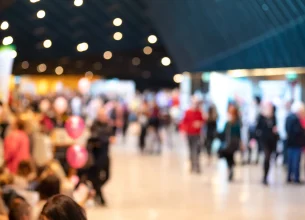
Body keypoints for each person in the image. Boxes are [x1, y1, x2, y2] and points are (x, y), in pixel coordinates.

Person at [88, 108, 115, 205]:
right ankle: (100, 197)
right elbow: (94, 138)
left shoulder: (108, 125)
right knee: (97, 177)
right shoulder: (94, 125)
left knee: (107, 176)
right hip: (96, 156)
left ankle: (95, 190)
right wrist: (106, 139)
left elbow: (111, 136)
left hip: (105, 154)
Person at [256, 102, 278, 185]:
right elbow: (257, 128)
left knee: (269, 159)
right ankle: (264, 176)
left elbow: (275, 127)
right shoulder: (261, 117)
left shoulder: (273, 117)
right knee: (266, 157)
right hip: (264, 140)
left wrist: (275, 130)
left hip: (272, 140)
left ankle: (267, 175)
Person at [218, 105, 241, 181]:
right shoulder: (227, 123)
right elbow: (224, 134)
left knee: (230, 156)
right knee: (229, 157)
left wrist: (240, 143)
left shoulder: (237, 123)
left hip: (233, 143)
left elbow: (239, 134)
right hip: (228, 143)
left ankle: (231, 169)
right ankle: (230, 169)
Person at [182, 99, 205, 174]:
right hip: (189, 133)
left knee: (196, 150)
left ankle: (197, 166)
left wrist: (199, 123)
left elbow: (203, 121)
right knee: (191, 150)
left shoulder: (199, 112)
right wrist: (183, 131)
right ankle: (192, 166)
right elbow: (184, 122)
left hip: (197, 134)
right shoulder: (188, 112)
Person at [285, 102, 305, 184]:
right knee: (296, 161)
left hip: (290, 143)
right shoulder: (295, 119)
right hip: (296, 143)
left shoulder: (289, 117)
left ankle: (289, 177)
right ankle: (296, 178)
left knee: (291, 161)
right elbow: (297, 131)